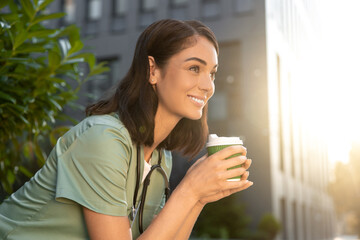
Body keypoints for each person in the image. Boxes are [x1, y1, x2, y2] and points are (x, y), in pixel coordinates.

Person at [0, 19, 253, 240]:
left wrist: (199, 198)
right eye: (194, 68)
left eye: (213, 73)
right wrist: (189, 190)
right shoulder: (102, 139)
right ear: (153, 70)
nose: (208, 86)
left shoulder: (159, 158)